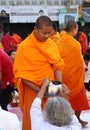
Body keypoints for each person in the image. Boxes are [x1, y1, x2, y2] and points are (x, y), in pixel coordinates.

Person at [13, 16, 65, 130]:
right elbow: (21, 74)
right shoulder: (24, 47)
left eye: (49, 33)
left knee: (53, 120)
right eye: (44, 33)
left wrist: (58, 87)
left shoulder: (51, 44)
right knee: (33, 120)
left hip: (51, 88)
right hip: (32, 90)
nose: (47, 36)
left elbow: (57, 66)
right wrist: (38, 91)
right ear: (35, 29)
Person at [56, 21, 89, 127]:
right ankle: (76, 118)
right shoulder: (76, 44)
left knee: (57, 99)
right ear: (74, 30)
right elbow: (79, 61)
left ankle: (74, 119)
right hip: (74, 77)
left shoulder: (58, 43)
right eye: (77, 29)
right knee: (78, 99)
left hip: (60, 75)